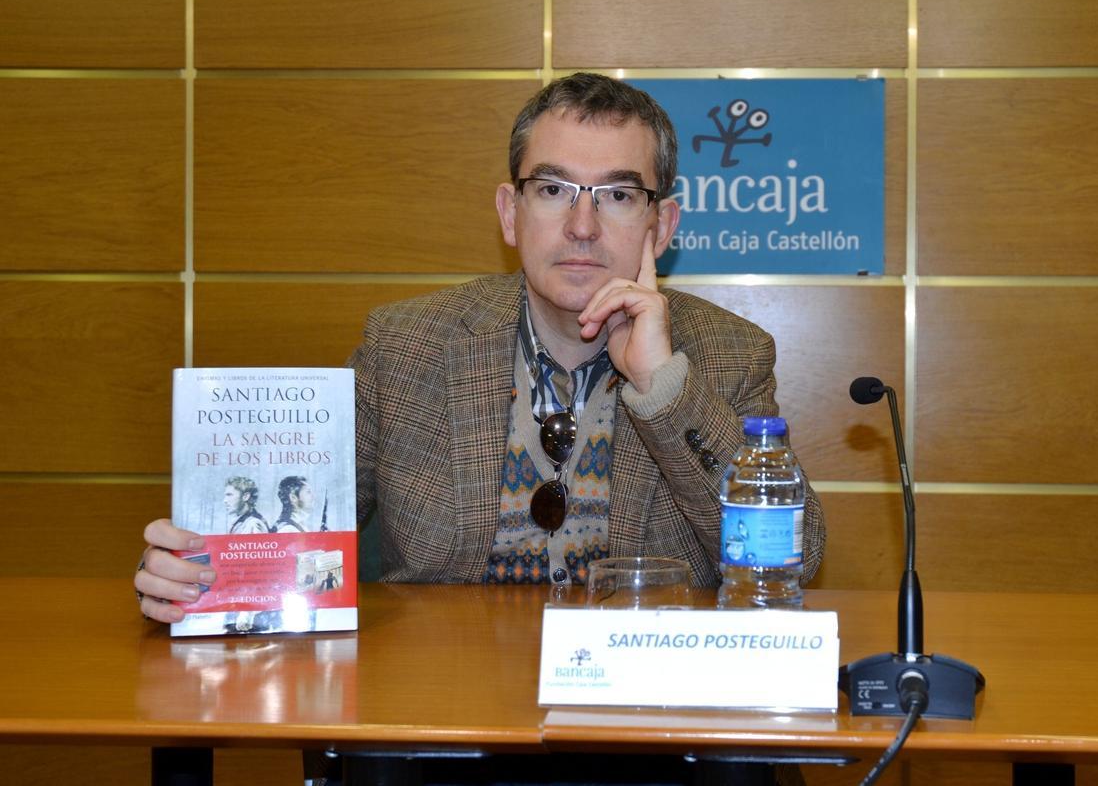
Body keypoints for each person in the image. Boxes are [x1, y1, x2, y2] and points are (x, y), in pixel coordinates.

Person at [135, 72, 825, 624]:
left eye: (616, 194)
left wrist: (663, 386)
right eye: (552, 189)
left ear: (661, 222)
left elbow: (798, 558)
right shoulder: (403, 345)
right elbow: (296, 535)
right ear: (509, 212)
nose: (582, 225)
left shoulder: (730, 353)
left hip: (647, 726)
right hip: (443, 724)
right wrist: (205, 572)